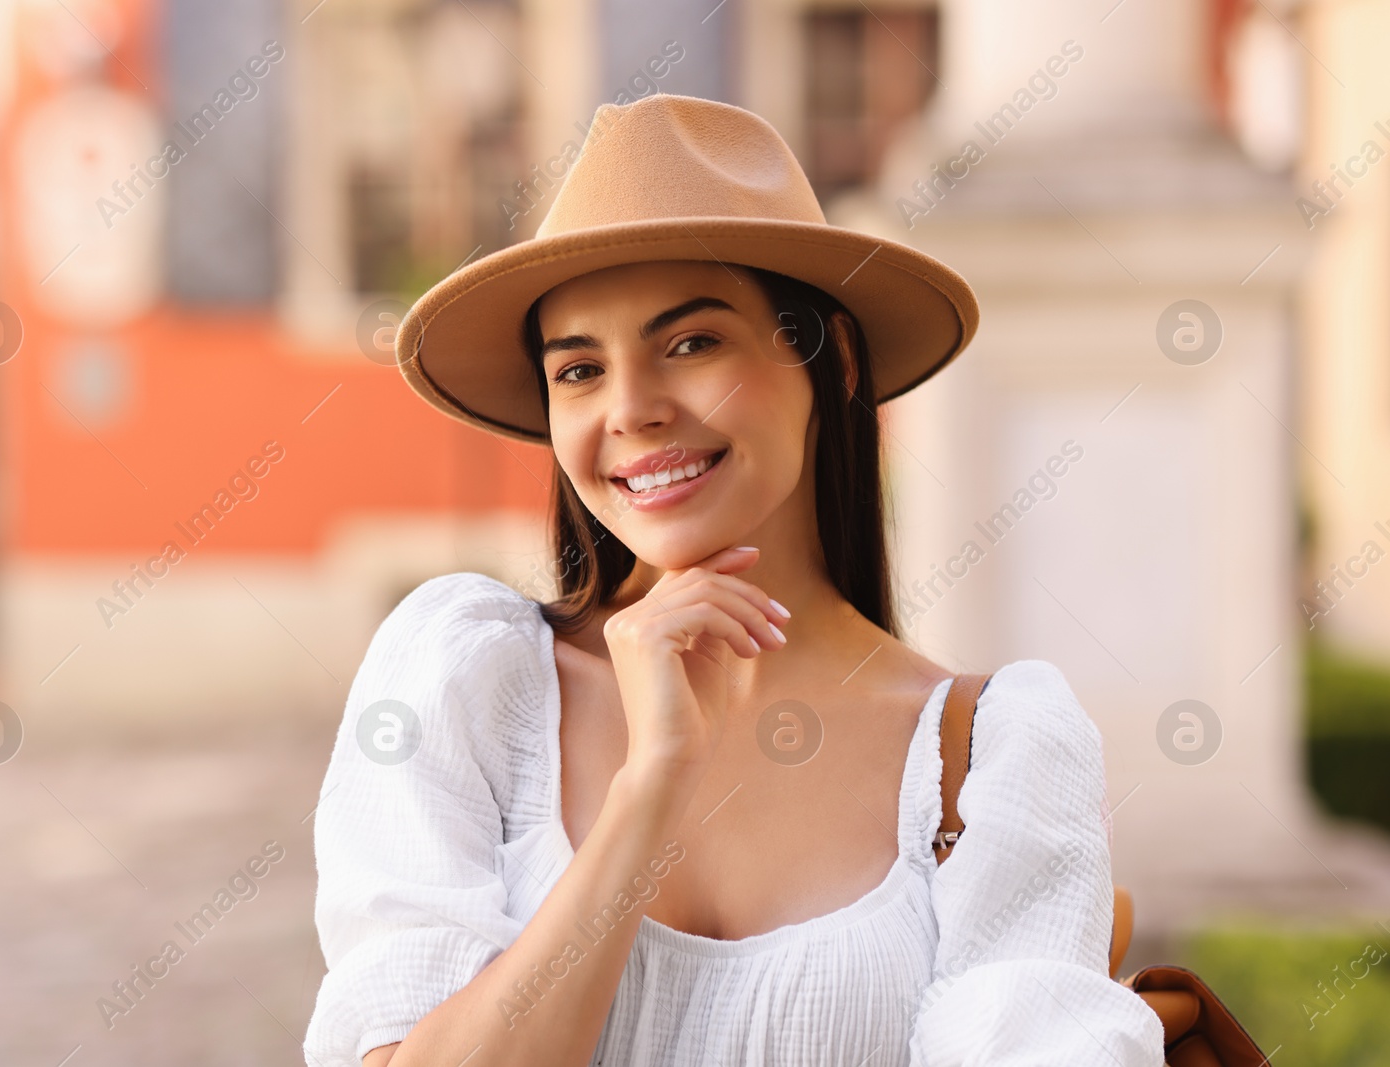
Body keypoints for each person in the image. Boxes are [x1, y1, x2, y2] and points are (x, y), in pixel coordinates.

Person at [303, 93, 1164, 1067]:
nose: (631, 409)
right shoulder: (469, 679)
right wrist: (648, 791)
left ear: (828, 359)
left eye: (691, 343)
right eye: (579, 369)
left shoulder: (989, 754)